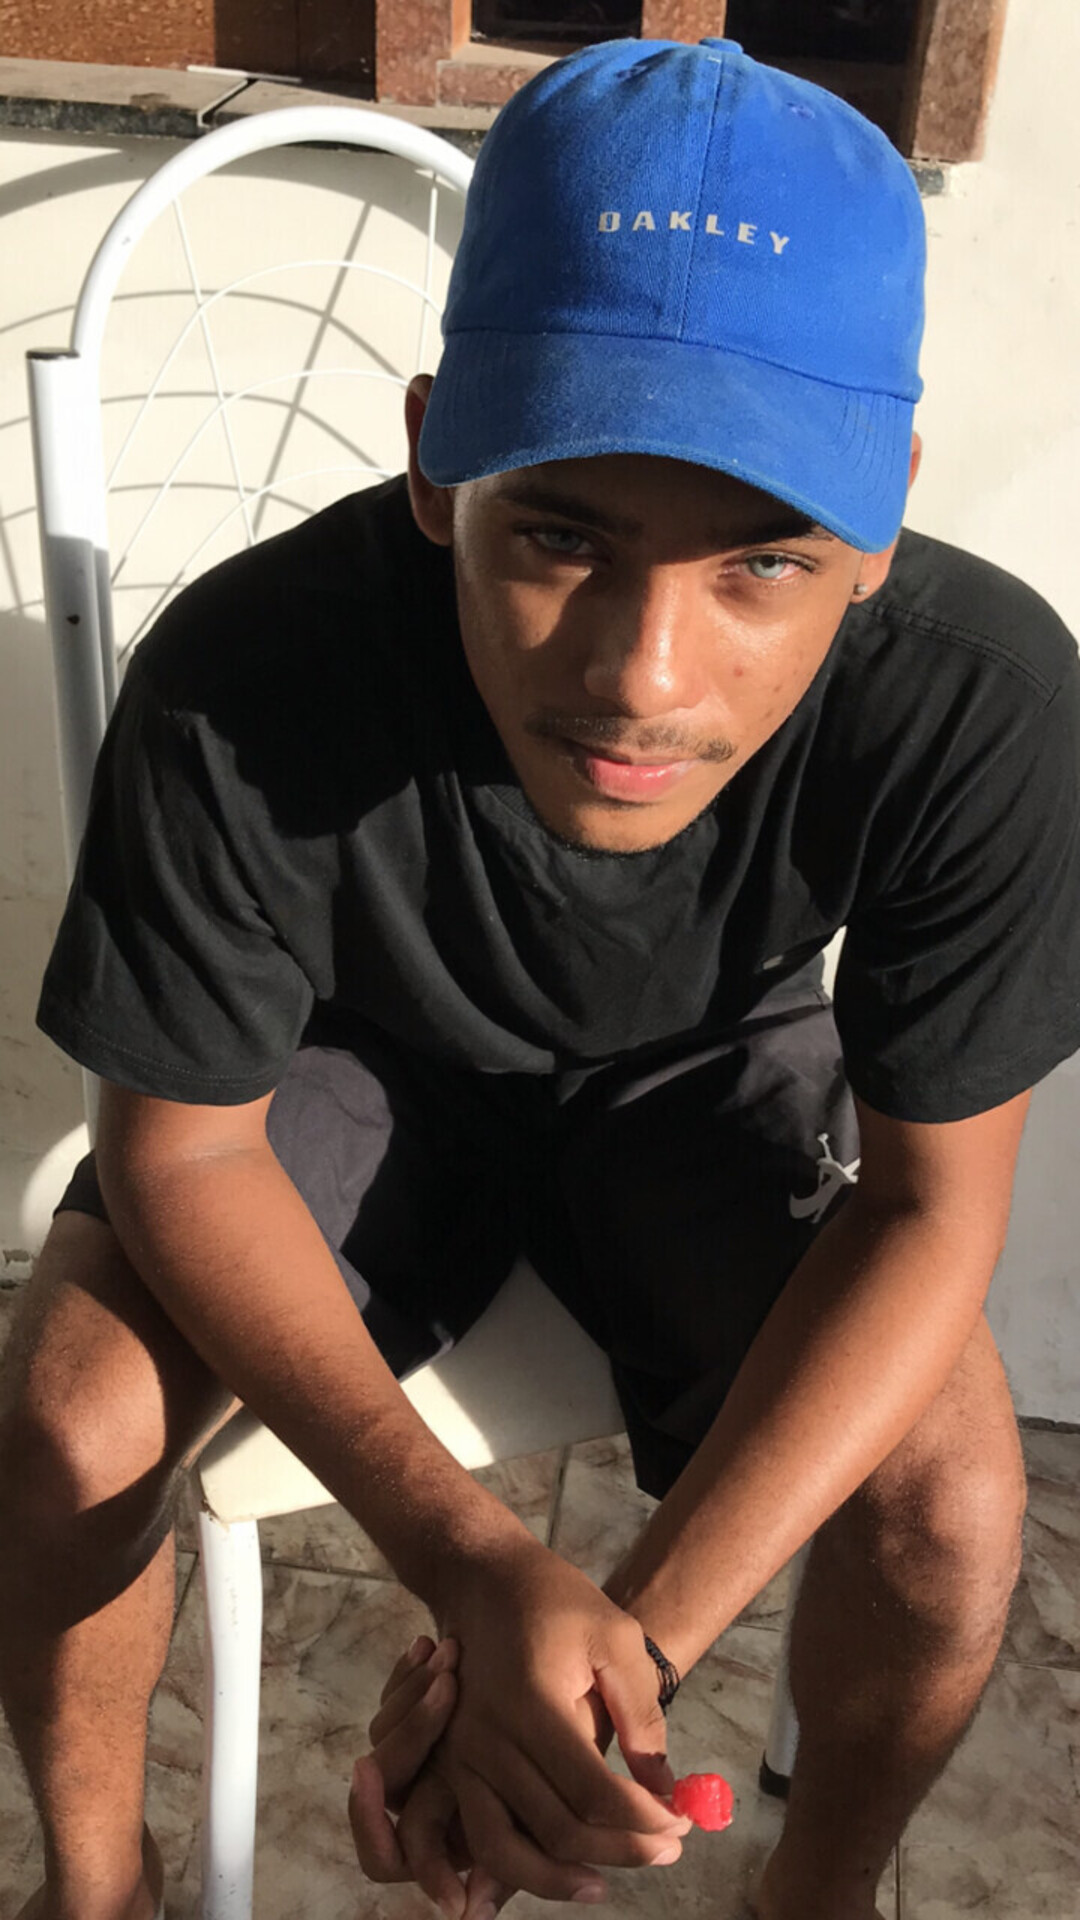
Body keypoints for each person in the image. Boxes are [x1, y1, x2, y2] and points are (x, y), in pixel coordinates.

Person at [2, 34, 1078, 1920]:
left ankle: (814, 1898)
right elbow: (180, 1148)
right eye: (563, 535)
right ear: (439, 462)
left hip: (705, 1071)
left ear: (884, 521)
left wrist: (613, 1660)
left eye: (764, 563)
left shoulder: (981, 703)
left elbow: (932, 1210)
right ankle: (95, 1890)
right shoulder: (244, 675)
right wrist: (470, 1559)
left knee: (955, 1503)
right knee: (58, 1424)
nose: (642, 677)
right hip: (352, 1062)